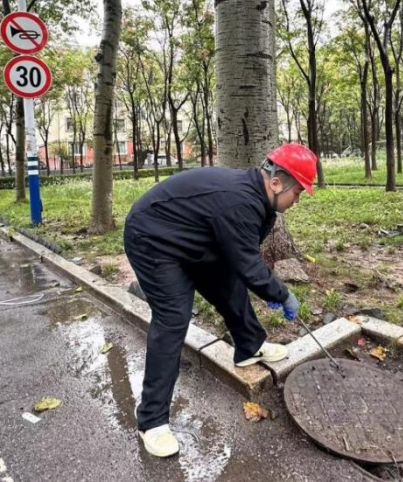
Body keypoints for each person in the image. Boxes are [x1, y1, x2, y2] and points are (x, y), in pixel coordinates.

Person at [124, 142, 317, 458]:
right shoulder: (240, 202)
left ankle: (248, 346)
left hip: (193, 236)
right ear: (277, 181)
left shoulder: (260, 200)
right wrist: (281, 294)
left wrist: (265, 287)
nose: (296, 201)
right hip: (152, 239)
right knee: (173, 318)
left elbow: (240, 262)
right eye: (297, 193)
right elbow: (249, 265)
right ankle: (152, 421)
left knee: (227, 284)